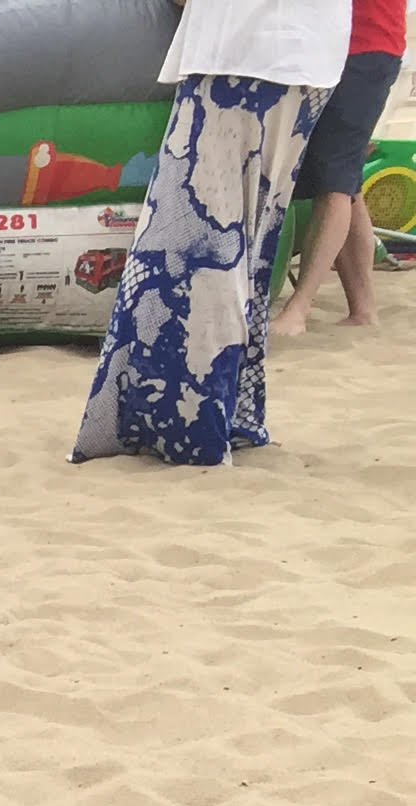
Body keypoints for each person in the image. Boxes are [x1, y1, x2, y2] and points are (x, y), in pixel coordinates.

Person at [73, 0, 348, 464]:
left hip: (244, 51)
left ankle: (191, 431)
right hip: (302, 53)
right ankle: (225, 416)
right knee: (244, 248)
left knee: (194, 250)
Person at [273, 0, 402, 334]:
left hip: (362, 49)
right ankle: (363, 308)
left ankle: (299, 307)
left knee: (335, 180)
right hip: (343, 48)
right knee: (346, 180)